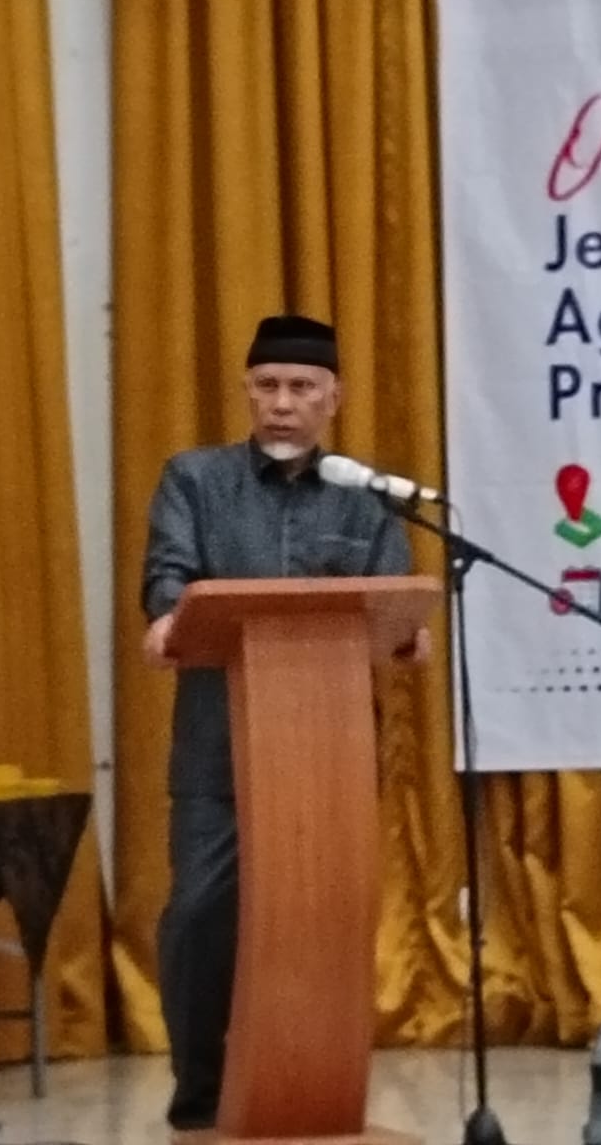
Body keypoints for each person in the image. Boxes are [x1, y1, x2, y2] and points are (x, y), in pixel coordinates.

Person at [140, 313, 431, 1130]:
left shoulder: (368, 495)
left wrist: (407, 631)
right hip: (217, 751)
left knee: (323, 916)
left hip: (325, 755)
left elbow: (391, 598)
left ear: (333, 398)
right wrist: (166, 617)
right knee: (201, 913)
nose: (281, 403)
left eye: (301, 387)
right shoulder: (195, 480)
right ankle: (202, 1088)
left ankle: (313, 1087)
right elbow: (169, 576)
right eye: (267, 385)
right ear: (247, 391)